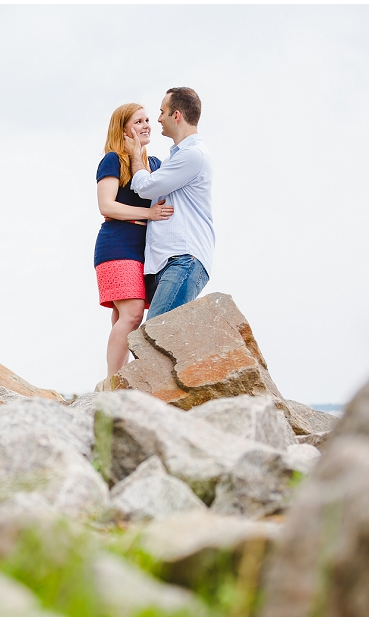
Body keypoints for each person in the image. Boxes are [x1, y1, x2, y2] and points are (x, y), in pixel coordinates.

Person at [93, 103, 173, 391]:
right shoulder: (113, 160)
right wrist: (149, 214)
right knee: (132, 315)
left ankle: (119, 380)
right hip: (117, 245)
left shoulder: (156, 166)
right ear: (123, 129)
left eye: (148, 119)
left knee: (122, 316)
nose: (147, 125)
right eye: (138, 121)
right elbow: (107, 205)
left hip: (145, 250)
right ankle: (112, 384)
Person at [123, 87, 214, 320]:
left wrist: (136, 153)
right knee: (161, 340)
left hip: (183, 258)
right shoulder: (173, 159)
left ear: (177, 116)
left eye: (162, 112)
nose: (158, 118)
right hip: (165, 262)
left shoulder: (193, 155)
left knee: (155, 336)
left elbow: (146, 188)